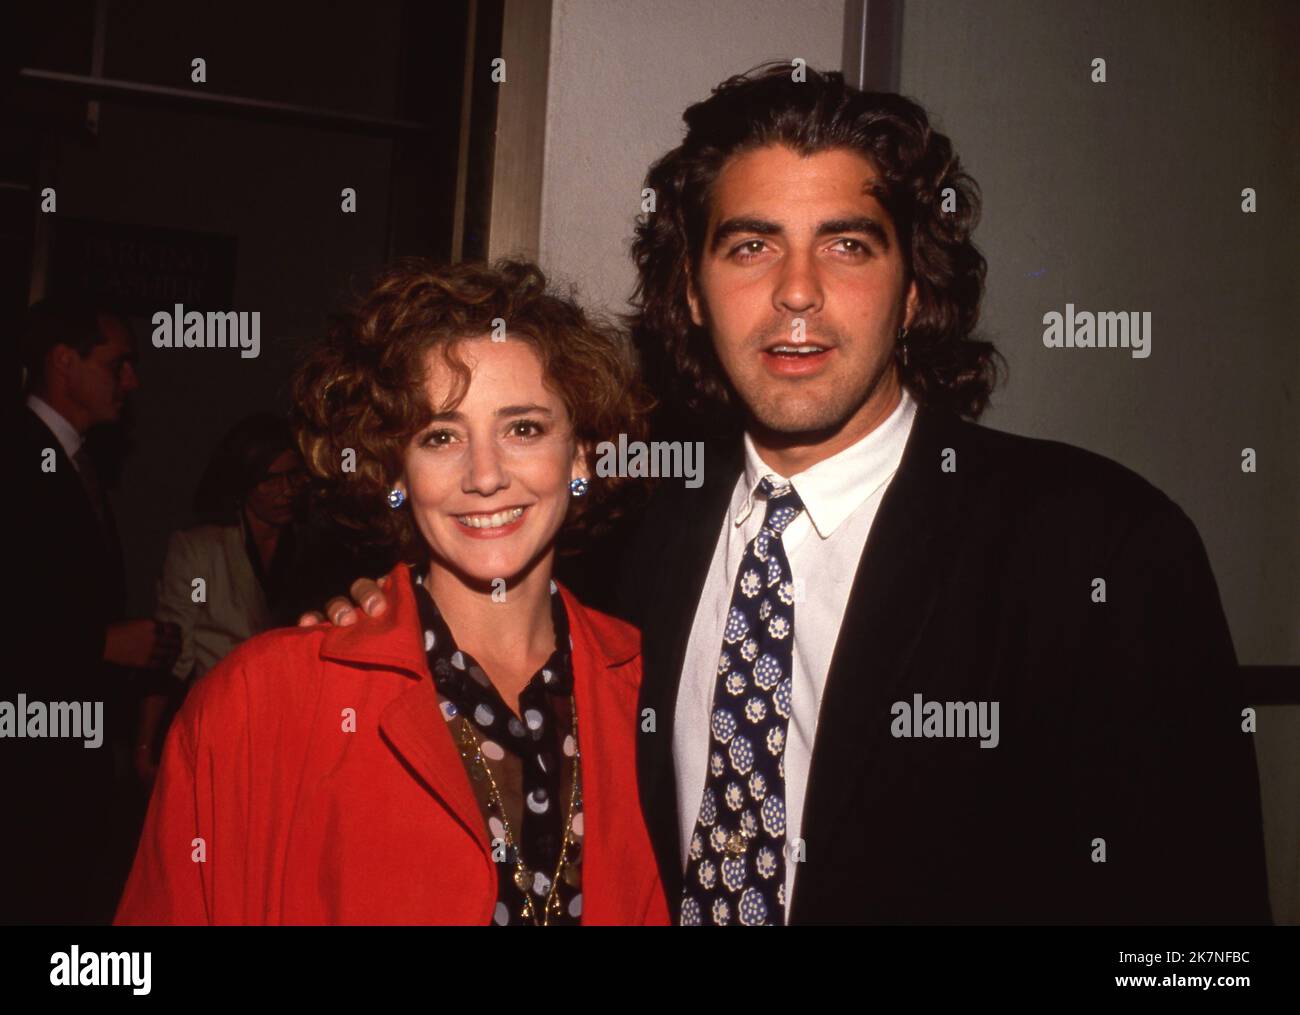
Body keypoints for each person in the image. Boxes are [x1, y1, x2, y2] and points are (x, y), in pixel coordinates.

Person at [318, 64, 1272, 926]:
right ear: (690, 289)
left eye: (849, 246)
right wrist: (379, 619)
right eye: (750, 248)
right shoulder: (623, 530)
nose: (798, 293)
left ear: (912, 291)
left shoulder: (1099, 549)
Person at [115, 259, 668, 924]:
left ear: (581, 455)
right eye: (440, 436)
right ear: (395, 470)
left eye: (523, 428)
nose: (485, 475)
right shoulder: (262, 702)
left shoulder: (656, 690)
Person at [7, 296, 180, 924]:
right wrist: (100, 645)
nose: (131, 381)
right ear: (63, 362)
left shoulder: (74, 462)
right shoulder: (18, 457)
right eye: (117, 364)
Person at [133, 413, 309, 786]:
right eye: (270, 479)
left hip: (299, 737)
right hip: (223, 732)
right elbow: (172, 651)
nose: (286, 491)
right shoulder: (199, 550)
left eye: (294, 476)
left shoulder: (315, 545)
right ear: (243, 482)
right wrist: (146, 747)